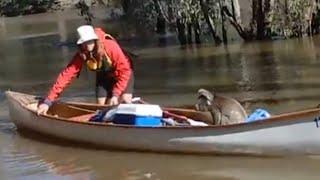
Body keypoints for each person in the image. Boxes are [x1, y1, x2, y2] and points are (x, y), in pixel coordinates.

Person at [37, 25, 134, 115]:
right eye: (84, 42)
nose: (88, 45)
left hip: (124, 74)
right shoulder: (82, 54)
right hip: (104, 77)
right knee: (102, 108)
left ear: (95, 39)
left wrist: (116, 94)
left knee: (124, 102)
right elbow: (65, 76)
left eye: (90, 41)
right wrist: (48, 101)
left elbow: (125, 71)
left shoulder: (110, 46)